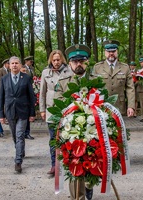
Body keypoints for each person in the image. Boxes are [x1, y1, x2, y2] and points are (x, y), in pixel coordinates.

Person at [55, 44, 93, 200]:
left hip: (92, 129)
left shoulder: (95, 80)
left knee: (92, 162)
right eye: (75, 61)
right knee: (75, 165)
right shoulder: (63, 82)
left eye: (82, 61)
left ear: (87, 62)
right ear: (69, 63)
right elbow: (58, 105)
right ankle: (78, 197)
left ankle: (89, 184)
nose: (79, 64)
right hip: (71, 130)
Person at [0, 56, 36, 173]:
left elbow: (31, 97)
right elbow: (1, 98)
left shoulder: (26, 78)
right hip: (10, 112)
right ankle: (20, 150)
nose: (14, 65)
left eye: (16, 63)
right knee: (15, 136)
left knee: (20, 135)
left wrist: (32, 113)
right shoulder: (4, 79)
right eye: (12, 63)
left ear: (20, 65)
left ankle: (18, 161)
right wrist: (1, 115)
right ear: (9, 65)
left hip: (23, 112)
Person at [39, 50, 73, 176]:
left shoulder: (69, 71)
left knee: (67, 137)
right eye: (54, 60)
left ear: (62, 60)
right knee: (53, 138)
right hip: (51, 110)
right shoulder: (45, 73)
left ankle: (68, 163)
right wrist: (42, 110)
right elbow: (42, 92)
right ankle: (54, 165)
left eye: (58, 59)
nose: (56, 62)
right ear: (51, 60)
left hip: (66, 109)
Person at [92, 40, 135, 117]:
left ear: (117, 52)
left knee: (120, 128)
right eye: (108, 51)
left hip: (119, 106)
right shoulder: (97, 67)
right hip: (102, 105)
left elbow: (130, 88)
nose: (111, 53)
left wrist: (131, 106)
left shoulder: (125, 67)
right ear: (105, 52)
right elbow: (93, 88)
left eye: (113, 51)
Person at [22, 56, 35, 140]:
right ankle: (22, 132)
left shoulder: (32, 69)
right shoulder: (22, 68)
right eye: (30, 61)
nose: (31, 63)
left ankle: (27, 132)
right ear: (26, 61)